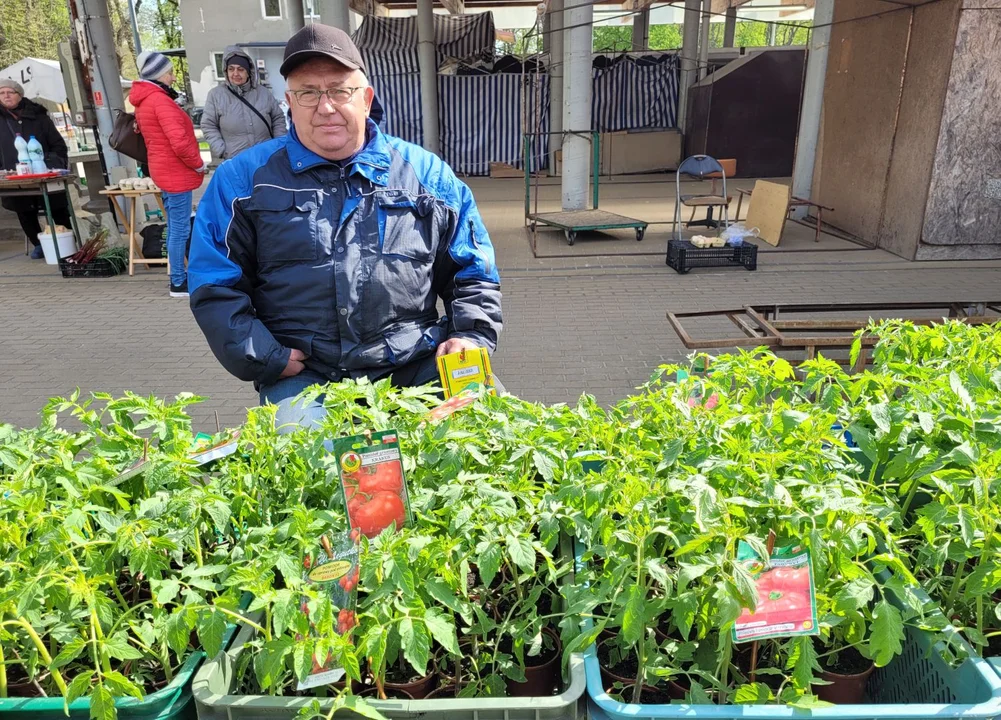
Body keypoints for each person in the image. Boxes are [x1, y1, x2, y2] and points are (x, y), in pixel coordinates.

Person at [188, 24, 502, 429]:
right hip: (304, 376)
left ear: (366, 99)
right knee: (308, 470)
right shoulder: (241, 182)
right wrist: (266, 356)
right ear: (289, 103)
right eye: (308, 93)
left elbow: (473, 271)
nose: (326, 106)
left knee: (491, 430)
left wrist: (471, 337)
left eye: (340, 90)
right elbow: (215, 285)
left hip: (414, 366)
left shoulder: (427, 176)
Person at [129, 51, 207, 298]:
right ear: (157, 74)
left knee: (176, 226)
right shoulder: (160, 101)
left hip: (163, 169)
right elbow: (180, 142)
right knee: (179, 229)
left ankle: (179, 278)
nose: (173, 77)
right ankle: (178, 282)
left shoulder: (145, 101)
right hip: (175, 172)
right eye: (170, 72)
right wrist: (198, 165)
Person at [0, 78, 71, 259]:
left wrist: (54, 162)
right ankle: (38, 244)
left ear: (20, 95)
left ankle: (68, 239)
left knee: (57, 207)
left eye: (10, 92)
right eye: (1, 93)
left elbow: (58, 144)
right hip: (13, 174)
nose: (6, 96)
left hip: (44, 171)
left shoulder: (38, 116)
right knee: (24, 209)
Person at [202, 47, 287, 161]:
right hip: (236, 160)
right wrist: (221, 150)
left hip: (266, 157)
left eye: (240, 69)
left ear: (249, 72)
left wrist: (278, 144)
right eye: (231, 69)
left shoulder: (263, 93)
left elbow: (277, 118)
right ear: (226, 71)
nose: (235, 73)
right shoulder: (216, 95)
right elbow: (208, 125)